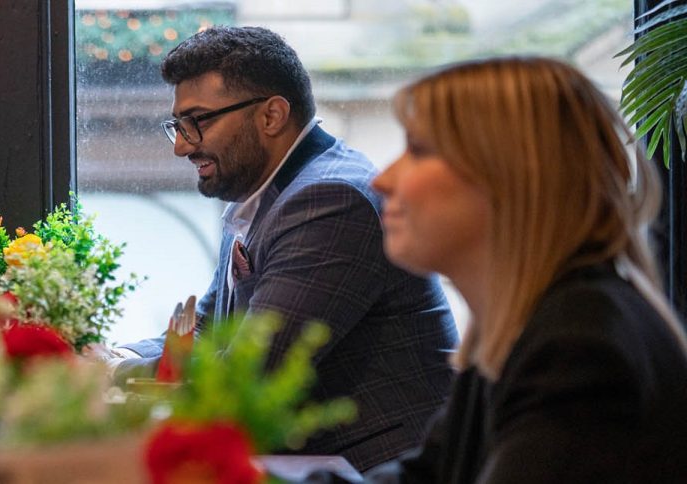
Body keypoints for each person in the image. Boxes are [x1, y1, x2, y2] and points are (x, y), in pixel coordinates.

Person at [106, 26, 457, 470]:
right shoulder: (264, 193)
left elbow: (249, 370)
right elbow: (211, 328)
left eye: (198, 121)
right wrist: (118, 355)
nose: (181, 146)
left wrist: (108, 377)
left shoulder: (330, 199)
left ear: (272, 115)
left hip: (371, 468)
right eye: (177, 125)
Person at [359, 56, 687, 483]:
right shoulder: (529, 323)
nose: (381, 179)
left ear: (509, 174)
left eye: (418, 150)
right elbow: (426, 476)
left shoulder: (577, 344)